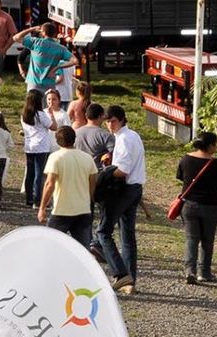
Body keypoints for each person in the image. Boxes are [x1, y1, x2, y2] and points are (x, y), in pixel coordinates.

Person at [97, 104, 145, 294]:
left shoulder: (124, 139)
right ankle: (130, 281)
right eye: (107, 122)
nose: (110, 125)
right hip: (135, 188)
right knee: (127, 235)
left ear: (122, 119)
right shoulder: (133, 135)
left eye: (113, 121)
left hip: (124, 189)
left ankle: (120, 273)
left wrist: (105, 173)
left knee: (103, 232)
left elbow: (123, 171)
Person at [176, 130, 217, 284]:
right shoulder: (216, 163)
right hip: (210, 206)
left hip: (188, 205)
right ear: (210, 146)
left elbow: (180, 177)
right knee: (207, 240)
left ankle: (190, 271)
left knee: (191, 239)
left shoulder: (186, 159)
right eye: (215, 144)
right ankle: (204, 272)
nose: (216, 147)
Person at [38, 126, 97, 248]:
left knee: (51, 246)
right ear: (74, 139)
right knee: (82, 250)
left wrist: (42, 207)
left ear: (57, 141)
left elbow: (50, 184)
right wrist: (90, 198)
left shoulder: (55, 157)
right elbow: (92, 181)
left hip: (62, 210)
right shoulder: (87, 158)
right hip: (83, 209)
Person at [13, 22, 75, 94]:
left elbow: (16, 37)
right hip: (49, 84)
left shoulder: (36, 43)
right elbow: (74, 61)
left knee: (32, 104)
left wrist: (32, 29)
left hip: (34, 83)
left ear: (43, 33)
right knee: (47, 104)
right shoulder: (61, 48)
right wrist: (58, 67)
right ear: (54, 34)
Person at [20, 89, 54, 208]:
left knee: (30, 173)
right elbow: (53, 127)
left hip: (29, 146)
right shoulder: (41, 115)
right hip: (42, 146)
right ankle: (37, 200)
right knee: (39, 174)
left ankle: (29, 199)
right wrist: (51, 115)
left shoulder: (24, 115)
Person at [76, 102, 115, 167]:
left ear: (86, 115)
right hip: (97, 172)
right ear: (101, 116)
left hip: (79, 171)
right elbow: (115, 153)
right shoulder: (105, 135)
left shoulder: (75, 133)